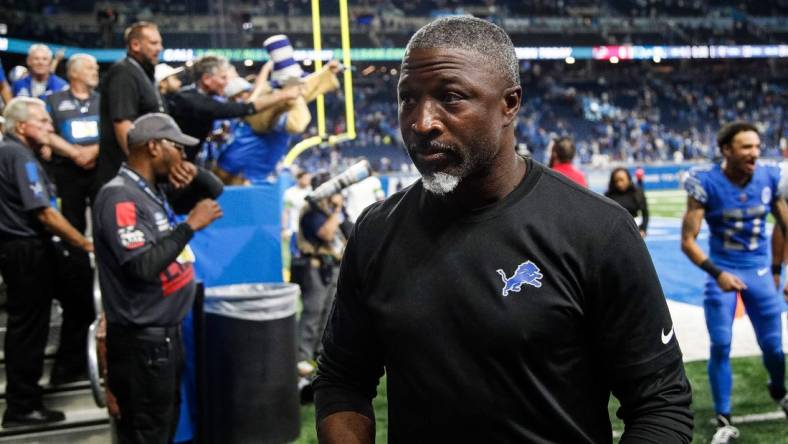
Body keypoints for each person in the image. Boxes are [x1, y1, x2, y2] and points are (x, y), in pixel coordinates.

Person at [314, 16, 693, 443]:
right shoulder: (376, 230)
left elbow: (661, 406)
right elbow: (342, 379)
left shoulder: (597, 230)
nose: (422, 122)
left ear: (509, 104)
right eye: (407, 99)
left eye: (451, 98)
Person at [93, 113, 223, 443]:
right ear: (154, 147)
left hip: (161, 340)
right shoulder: (120, 196)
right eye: (178, 148)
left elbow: (214, 190)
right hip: (142, 345)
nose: (183, 155)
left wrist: (194, 172)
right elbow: (140, 266)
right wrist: (189, 226)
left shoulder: (149, 190)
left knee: (161, 428)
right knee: (147, 433)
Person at [681, 121, 788, 444]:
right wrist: (718, 274)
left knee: (773, 348)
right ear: (726, 150)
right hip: (724, 270)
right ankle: (724, 418)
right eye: (746, 147)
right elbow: (688, 241)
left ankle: (779, 389)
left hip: (758, 272)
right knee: (721, 343)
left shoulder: (771, 177)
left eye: (757, 146)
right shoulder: (705, 182)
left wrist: (781, 271)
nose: (754, 153)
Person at [0, 97, 93, 427]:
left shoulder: (20, 152)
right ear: (22, 126)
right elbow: (44, 212)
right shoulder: (17, 154)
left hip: (28, 248)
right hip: (25, 250)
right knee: (29, 328)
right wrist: (84, 243)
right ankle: (22, 406)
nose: (50, 127)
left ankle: (67, 369)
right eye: (43, 122)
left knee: (78, 299)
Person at [42, 53, 102, 384]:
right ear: (74, 73)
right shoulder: (53, 100)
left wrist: (92, 151)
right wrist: (72, 151)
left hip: (96, 170)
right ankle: (76, 261)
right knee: (72, 227)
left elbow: (111, 129)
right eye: (91, 68)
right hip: (67, 172)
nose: (95, 72)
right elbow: (45, 133)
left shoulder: (102, 100)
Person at [167, 55, 302, 162]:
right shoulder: (191, 99)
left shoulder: (198, 98)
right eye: (223, 78)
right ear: (207, 79)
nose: (227, 82)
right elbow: (245, 108)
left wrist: (212, 137)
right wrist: (285, 94)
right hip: (173, 162)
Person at [95, 21, 165, 194]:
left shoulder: (143, 73)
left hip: (141, 172)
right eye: (154, 43)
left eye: (160, 43)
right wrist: (141, 170)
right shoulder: (124, 73)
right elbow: (123, 125)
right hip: (128, 176)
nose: (160, 48)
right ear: (135, 45)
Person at [295, 181, 350, 381]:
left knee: (328, 312)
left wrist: (340, 209)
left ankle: (319, 353)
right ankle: (301, 357)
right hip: (315, 267)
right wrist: (336, 208)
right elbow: (326, 234)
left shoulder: (329, 209)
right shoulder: (311, 209)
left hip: (332, 266)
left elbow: (349, 231)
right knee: (313, 311)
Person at [605, 167, 649, 237]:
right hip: (614, 233)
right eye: (616, 181)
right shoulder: (608, 195)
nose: (619, 184)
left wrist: (643, 229)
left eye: (622, 180)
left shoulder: (637, 193)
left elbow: (645, 213)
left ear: (628, 179)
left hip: (635, 231)